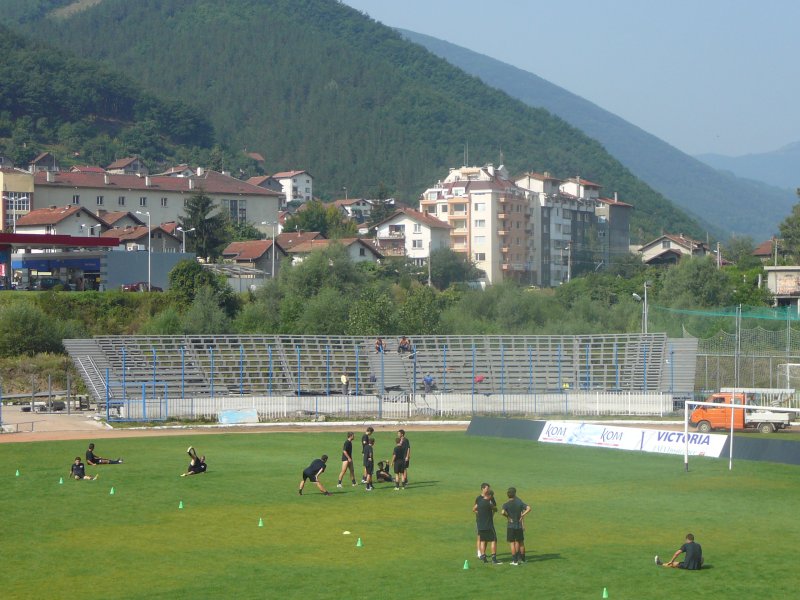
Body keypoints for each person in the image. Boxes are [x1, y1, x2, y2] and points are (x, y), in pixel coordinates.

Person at [501, 487, 531, 566]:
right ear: (514, 494)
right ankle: (523, 560)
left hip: (511, 526)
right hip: (519, 526)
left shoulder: (506, 504)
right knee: (521, 543)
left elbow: (502, 512)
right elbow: (528, 508)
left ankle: (515, 561)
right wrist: (522, 515)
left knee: (512, 543)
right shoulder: (519, 503)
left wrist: (508, 517)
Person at [473, 484, 501, 564]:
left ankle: (484, 557)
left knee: (483, 540)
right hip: (488, 524)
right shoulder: (489, 503)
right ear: (489, 496)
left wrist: (480, 513)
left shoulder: (480, 502)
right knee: (493, 540)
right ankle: (494, 558)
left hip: (481, 524)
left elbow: (474, 508)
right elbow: (495, 508)